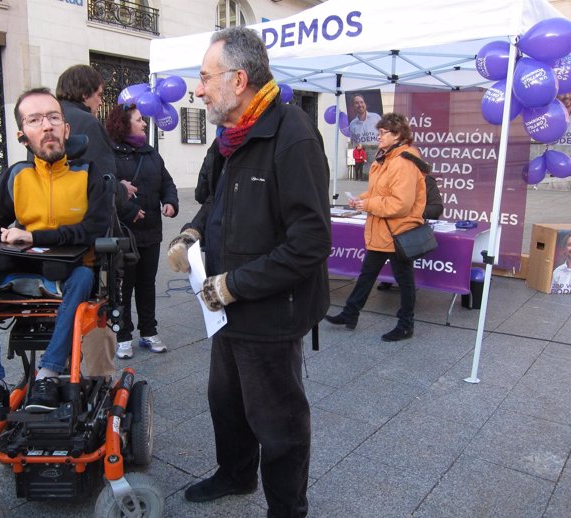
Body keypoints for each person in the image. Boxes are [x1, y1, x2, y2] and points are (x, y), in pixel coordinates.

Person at [165, 27, 331, 518]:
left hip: (269, 312)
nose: (198, 89)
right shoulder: (230, 137)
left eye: (204, 78)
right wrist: (192, 234)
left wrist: (233, 285)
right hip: (224, 310)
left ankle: (287, 508)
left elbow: (310, 242)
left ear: (238, 80)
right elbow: (216, 202)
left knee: (278, 420)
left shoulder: (293, 135)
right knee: (227, 401)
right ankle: (236, 474)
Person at [0, 88, 111, 415]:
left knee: (84, 276)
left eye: (53, 117)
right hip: (23, 268)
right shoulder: (17, 175)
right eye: (35, 120)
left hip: (70, 271)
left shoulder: (89, 176)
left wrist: (33, 235)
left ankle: (48, 373)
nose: (47, 126)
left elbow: (93, 230)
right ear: (23, 135)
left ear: (66, 128)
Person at [56, 64, 136, 377]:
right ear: (85, 92)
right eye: (100, 95)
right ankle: (100, 379)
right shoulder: (86, 122)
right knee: (97, 306)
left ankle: (58, 370)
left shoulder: (48, 118)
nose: (100, 102)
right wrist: (122, 189)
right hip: (90, 235)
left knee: (60, 303)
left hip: (52, 234)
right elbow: (103, 181)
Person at [326, 113, 426, 342]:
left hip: (399, 231)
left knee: (404, 280)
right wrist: (361, 199)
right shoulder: (387, 158)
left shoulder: (403, 162)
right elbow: (379, 192)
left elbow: (401, 204)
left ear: (398, 135)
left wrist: (368, 204)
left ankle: (406, 324)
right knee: (367, 274)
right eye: (379, 132)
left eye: (383, 133)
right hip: (384, 230)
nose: (378, 136)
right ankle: (350, 313)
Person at [105, 104, 179, 359]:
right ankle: (123, 336)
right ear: (124, 124)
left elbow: (167, 182)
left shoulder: (152, 154)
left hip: (151, 232)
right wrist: (128, 210)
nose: (145, 124)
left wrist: (170, 202)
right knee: (124, 287)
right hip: (125, 234)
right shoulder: (109, 155)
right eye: (139, 120)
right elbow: (106, 191)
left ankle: (149, 331)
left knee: (147, 285)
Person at [377, 155, 443, 291]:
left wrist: (413, 212)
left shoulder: (427, 181)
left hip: (412, 228)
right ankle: (387, 278)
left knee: (402, 261)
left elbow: (436, 207)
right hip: (389, 227)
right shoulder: (392, 180)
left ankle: (406, 298)